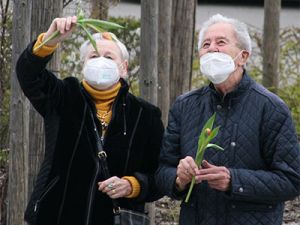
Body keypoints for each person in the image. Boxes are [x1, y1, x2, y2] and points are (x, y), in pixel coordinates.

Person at [16, 16, 164, 225]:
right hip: (56, 215)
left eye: (109, 56)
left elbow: (159, 175)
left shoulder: (145, 115)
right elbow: (28, 74)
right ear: (83, 64)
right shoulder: (63, 96)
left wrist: (132, 185)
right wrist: (50, 39)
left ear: (124, 67)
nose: (100, 61)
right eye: (93, 55)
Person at [155, 14, 300, 225]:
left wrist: (234, 180)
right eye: (206, 44)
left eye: (220, 42)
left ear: (243, 56)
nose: (212, 48)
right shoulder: (185, 105)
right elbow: (162, 171)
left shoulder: (271, 108)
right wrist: (179, 179)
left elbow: (292, 180)